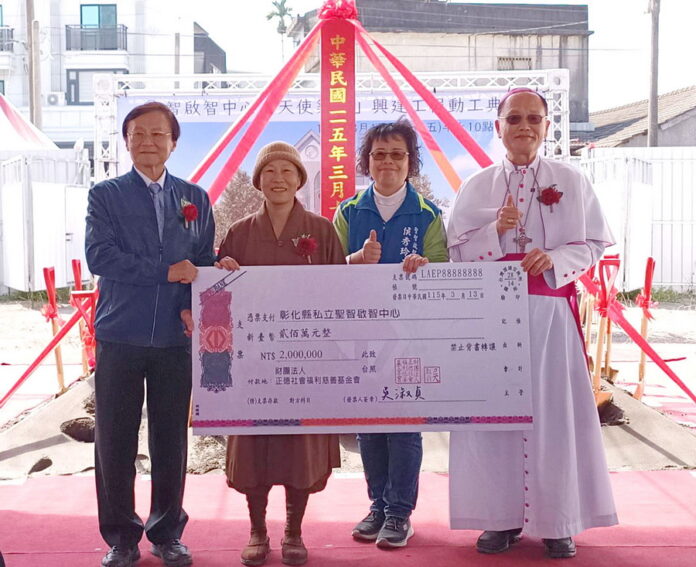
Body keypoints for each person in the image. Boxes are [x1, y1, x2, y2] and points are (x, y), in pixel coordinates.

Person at [446, 88, 618, 559]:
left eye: (533, 119)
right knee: (494, 419)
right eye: (514, 118)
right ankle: (499, 519)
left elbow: (593, 244)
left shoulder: (571, 179)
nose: (524, 126)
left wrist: (554, 257)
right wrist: (496, 231)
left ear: (546, 126)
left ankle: (557, 521)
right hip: (490, 320)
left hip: (548, 317)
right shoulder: (476, 185)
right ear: (498, 126)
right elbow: (456, 252)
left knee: (554, 417)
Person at [86, 101, 216, 567]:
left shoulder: (195, 198)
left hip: (174, 339)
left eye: (158, 134)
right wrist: (166, 272)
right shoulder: (106, 195)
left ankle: (166, 532)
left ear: (173, 143)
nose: (148, 142)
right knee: (114, 440)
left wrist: (190, 302)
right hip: (120, 333)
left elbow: (202, 261)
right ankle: (122, 538)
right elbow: (100, 257)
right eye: (138, 134)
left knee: (171, 440)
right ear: (126, 142)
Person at [217, 141, 345, 566]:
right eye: (269, 171)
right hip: (251, 361)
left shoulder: (321, 231)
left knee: (298, 446)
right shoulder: (238, 233)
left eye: (287, 171)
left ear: (299, 179)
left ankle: (293, 530)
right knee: (253, 444)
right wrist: (221, 274)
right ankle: (257, 529)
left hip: (305, 357)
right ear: (258, 181)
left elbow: (340, 293)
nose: (278, 179)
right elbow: (216, 298)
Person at [333, 120, 449, 549]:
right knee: (368, 425)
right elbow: (327, 271)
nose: (387, 162)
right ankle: (378, 506)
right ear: (366, 162)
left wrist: (426, 267)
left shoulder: (428, 214)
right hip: (361, 332)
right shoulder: (348, 211)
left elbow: (443, 269)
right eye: (378, 154)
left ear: (410, 162)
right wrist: (355, 259)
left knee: (404, 425)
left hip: (410, 334)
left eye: (397, 154)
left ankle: (400, 512)